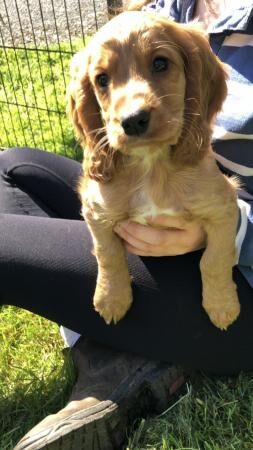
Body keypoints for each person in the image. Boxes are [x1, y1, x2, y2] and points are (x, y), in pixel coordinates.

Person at [1, 0, 252, 449]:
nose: (133, 104)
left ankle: (114, 358)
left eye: (161, 65)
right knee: (11, 168)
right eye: (104, 82)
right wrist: (111, 269)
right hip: (136, 225)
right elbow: (96, 208)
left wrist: (230, 238)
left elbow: (222, 214)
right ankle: (113, 358)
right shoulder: (172, 7)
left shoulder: (190, 46)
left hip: (236, 285)